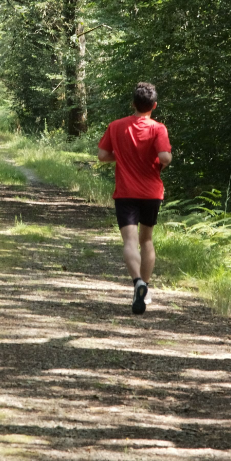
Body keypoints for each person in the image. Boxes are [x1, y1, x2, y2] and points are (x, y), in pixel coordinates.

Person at [97, 82, 172, 315]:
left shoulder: (116, 126)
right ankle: (145, 288)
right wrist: (160, 163)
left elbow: (102, 155)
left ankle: (137, 281)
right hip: (151, 192)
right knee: (146, 240)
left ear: (133, 104)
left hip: (125, 192)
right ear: (154, 106)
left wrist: (122, 157)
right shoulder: (158, 128)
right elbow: (165, 157)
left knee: (129, 241)